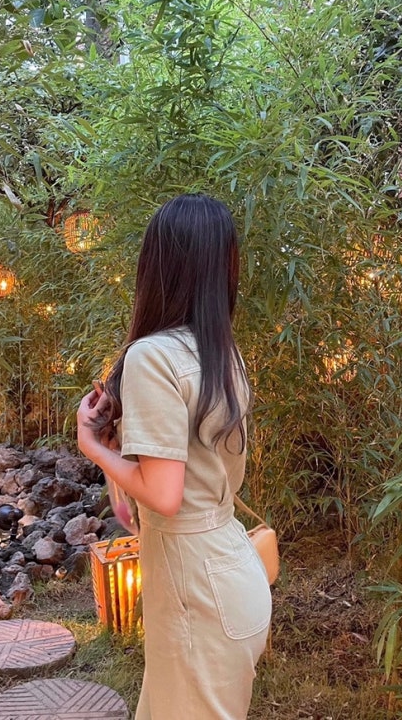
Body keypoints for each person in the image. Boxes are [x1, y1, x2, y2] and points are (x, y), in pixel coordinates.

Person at [77, 193, 272, 720]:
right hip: (229, 571)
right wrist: (121, 439)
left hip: (197, 594)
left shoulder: (153, 356)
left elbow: (164, 496)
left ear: (157, 264)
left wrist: (92, 446)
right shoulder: (220, 352)